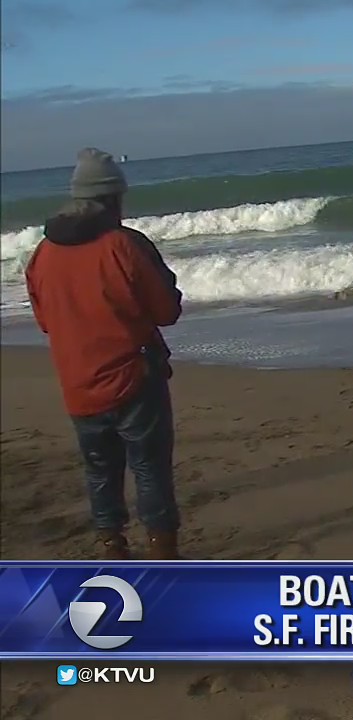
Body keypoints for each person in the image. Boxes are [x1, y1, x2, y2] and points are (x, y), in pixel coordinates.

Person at [24, 147, 185, 561]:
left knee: (99, 471)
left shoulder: (43, 254)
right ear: (113, 197)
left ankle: (113, 550)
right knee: (149, 469)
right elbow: (167, 312)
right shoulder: (123, 246)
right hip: (133, 378)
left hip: (78, 384)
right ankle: (162, 556)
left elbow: (45, 320)